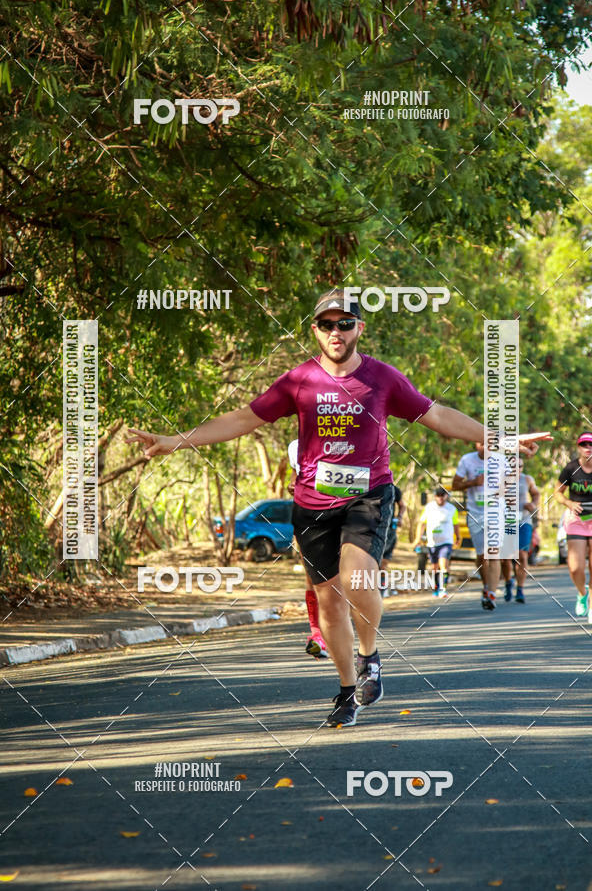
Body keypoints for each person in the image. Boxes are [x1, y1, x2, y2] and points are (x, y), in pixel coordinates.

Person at [126, 289, 550, 728]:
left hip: (368, 497)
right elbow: (241, 419)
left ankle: (370, 655)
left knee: (359, 578)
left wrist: (501, 437)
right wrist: (175, 440)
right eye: (326, 324)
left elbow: (438, 416)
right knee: (329, 603)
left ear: (359, 329)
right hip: (311, 505)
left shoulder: (382, 379)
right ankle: (348, 690)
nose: (335, 331)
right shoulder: (298, 381)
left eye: (344, 323)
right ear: (315, 330)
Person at [452, 444, 515, 611]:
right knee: (481, 557)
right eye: (481, 443)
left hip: (495, 512)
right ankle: (486, 586)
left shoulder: (501, 459)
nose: (485, 446)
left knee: (493, 553)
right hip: (475, 513)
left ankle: (492, 595)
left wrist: (501, 491)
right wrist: (472, 482)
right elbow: (455, 485)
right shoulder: (467, 460)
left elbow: (510, 480)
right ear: (475, 444)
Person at [287, 438, 328, 658]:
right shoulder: (295, 446)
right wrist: (293, 484)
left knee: (339, 577)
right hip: (307, 516)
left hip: (341, 516)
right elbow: (295, 476)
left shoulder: (344, 439)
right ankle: (316, 635)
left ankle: (335, 631)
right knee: (311, 576)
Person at [554, 431, 592, 618]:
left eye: (591, 445)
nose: (588, 448)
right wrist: (569, 503)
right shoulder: (571, 469)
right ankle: (582, 594)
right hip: (577, 520)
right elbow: (558, 493)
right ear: (578, 447)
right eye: (584, 445)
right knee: (575, 567)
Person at [414, 487, 460, 598]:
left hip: (446, 542)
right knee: (435, 567)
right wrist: (418, 539)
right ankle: (436, 587)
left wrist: (458, 537)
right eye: (438, 495)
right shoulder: (429, 508)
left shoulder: (452, 509)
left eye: (442, 495)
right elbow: (422, 524)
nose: (440, 497)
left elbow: (455, 524)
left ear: (446, 496)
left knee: (443, 565)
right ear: (435, 496)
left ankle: (443, 589)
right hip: (432, 543)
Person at [504, 459, 540, 604]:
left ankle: (520, 589)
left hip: (524, 521)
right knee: (505, 558)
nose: (516, 468)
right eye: (513, 466)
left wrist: (533, 504)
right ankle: (508, 583)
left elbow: (536, 494)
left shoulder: (527, 479)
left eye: (519, 466)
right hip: (506, 521)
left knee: (522, 555)